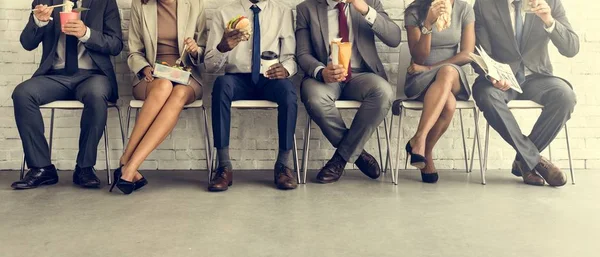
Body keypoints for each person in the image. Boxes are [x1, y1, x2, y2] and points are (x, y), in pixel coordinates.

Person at [11, 0, 123, 190]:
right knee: (22, 94)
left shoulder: (104, 2)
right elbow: (27, 43)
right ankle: (42, 168)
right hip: (55, 76)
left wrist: (86, 34)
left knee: (96, 95)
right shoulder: (44, 2)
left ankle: (85, 168)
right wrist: (39, 22)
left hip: (93, 75)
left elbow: (116, 44)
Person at [472, 0, 578, 186]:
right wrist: (493, 76)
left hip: (536, 76)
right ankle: (534, 161)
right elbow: (480, 51)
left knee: (565, 96)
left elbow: (571, 48)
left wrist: (548, 20)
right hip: (502, 79)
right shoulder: (484, 4)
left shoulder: (550, 2)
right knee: (486, 95)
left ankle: (524, 160)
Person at [295, 0, 401, 184]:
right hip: (327, 75)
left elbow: (394, 39)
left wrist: (365, 9)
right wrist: (321, 71)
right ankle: (357, 154)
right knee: (314, 97)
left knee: (383, 92)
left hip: (361, 75)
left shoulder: (370, 2)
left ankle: (340, 159)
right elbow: (303, 53)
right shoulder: (306, 8)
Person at [110, 0, 207, 194]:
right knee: (163, 86)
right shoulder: (140, 5)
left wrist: (196, 50)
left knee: (178, 92)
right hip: (151, 75)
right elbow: (134, 51)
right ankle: (128, 164)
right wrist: (145, 67)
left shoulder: (195, 3)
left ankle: (128, 165)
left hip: (186, 74)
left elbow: (204, 50)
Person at [204, 0, 298, 191]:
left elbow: (290, 57)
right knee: (221, 84)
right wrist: (222, 47)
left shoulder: (283, 12)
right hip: (237, 79)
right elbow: (209, 65)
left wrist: (286, 70)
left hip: (270, 78)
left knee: (288, 91)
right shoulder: (224, 13)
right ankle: (224, 166)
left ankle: (283, 166)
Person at [401, 0, 475, 183]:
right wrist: (428, 23)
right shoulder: (414, 11)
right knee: (448, 105)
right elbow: (419, 56)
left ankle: (419, 138)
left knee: (447, 71)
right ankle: (426, 152)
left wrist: (431, 68)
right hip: (420, 78)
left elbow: (467, 53)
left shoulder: (464, 9)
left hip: (451, 74)